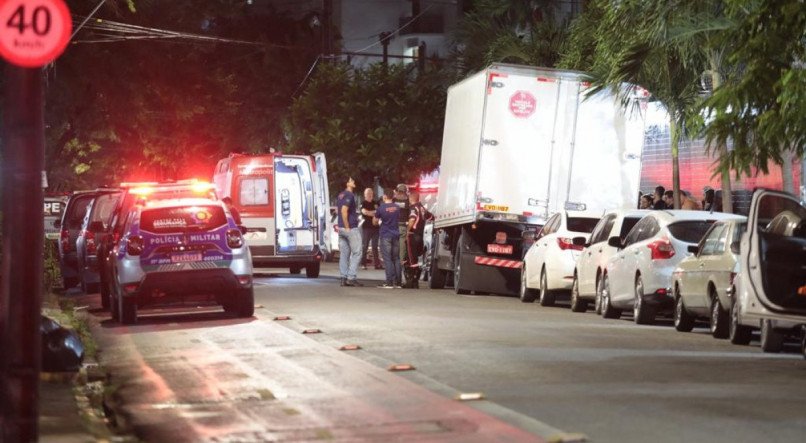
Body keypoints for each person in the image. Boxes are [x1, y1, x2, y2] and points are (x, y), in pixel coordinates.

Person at [403, 191, 434, 288]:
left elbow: (412, 219)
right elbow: (432, 217)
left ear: (411, 199)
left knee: (410, 258)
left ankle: (411, 281)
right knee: (415, 259)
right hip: (420, 236)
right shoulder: (422, 208)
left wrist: (407, 231)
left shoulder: (414, 208)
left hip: (412, 235)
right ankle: (415, 282)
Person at [336, 177, 363, 287]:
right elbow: (343, 210)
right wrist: (348, 226)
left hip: (341, 228)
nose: (354, 181)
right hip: (350, 228)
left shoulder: (340, 195)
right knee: (357, 252)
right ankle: (351, 277)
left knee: (344, 254)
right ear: (347, 183)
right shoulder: (349, 195)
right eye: (352, 180)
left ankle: (343, 277)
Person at [373, 188, 402, 288]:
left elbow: (375, 221)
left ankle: (389, 282)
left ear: (384, 196)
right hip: (395, 234)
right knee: (396, 258)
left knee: (387, 259)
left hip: (385, 234)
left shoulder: (381, 208)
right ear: (393, 197)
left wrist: (379, 221)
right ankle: (398, 282)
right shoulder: (397, 207)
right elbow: (398, 218)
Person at [359, 188, 381, 270]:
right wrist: (374, 213)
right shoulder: (363, 203)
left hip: (376, 228)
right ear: (365, 195)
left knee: (375, 247)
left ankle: (377, 264)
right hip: (366, 228)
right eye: (368, 193)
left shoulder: (376, 203)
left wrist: (370, 213)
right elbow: (364, 212)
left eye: (371, 193)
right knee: (365, 246)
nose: (370, 194)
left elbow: (379, 212)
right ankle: (363, 264)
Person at [393, 184, 410, 270]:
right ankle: (401, 262)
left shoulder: (393, 200)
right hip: (403, 225)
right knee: (402, 246)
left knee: (393, 244)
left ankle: (394, 262)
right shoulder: (408, 201)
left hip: (393, 226)